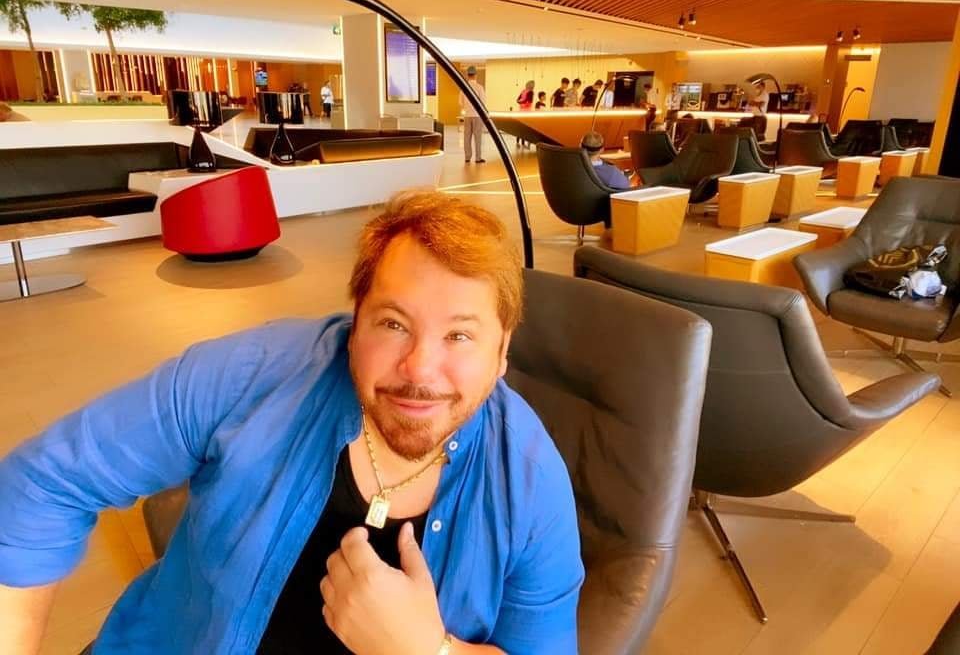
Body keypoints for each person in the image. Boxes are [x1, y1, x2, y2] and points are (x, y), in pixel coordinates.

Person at [0, 192, 584, 655]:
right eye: (392, 323)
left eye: (459, 335)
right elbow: (42, 484)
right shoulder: (252, 376)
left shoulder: (530, 483)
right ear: (355, 323)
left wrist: (428, 650)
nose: (419, 368)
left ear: (502, 353)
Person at [459, 66, 486, 163]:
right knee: (478, 137)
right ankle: (478, 158)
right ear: (475, 75)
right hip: (477, 116)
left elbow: (460, 102)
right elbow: (483, 102)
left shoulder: (463, 88)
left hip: (467, 116)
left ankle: (467, 157)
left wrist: (467, 108)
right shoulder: (479, 87)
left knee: (467, 137)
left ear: (467, 75)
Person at [515, 80, 535, 148]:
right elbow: (527, 101)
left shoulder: (527, 91)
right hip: (525, 111)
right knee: (523, 128)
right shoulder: (527, 92)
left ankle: (521, 143)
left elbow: (524, 101)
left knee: (522, 128)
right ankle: (520, 143)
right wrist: (522, 101)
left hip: (524, 111)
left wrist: (521, 101)